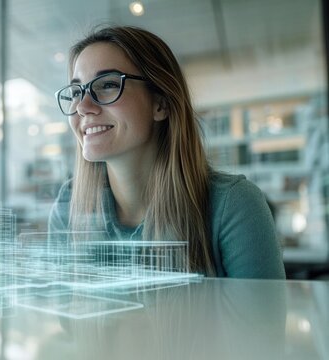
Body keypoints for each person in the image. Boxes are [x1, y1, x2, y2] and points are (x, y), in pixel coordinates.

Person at [49, 25, 285, 279]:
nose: (83, 106)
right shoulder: (68, 206)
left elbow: (262, 320)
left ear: (160, 104)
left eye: (107, 84)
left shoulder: (233, 205)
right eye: (75, 92)